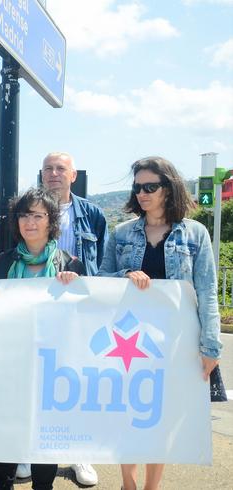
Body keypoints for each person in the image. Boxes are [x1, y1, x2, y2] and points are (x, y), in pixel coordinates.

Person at [98, 156, 222, 490]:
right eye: (138, 187)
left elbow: (207, 291)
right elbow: (101, 279)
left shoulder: (195, 234)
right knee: (127, 413)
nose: (142, 193)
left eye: (150, 186)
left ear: (169, 188)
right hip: (127, 339)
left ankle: (151, 486)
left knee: (160, 418)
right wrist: (125, 274)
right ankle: (128, 483)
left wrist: (211, 345)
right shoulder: (122, 233)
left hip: (173, 341)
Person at [0, 187, 84, 490]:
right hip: (10, 359)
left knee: (47, 429)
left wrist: (75, 286)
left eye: (38, 215)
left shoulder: (70, 264)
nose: (30, 222)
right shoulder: (3, 262)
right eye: (24, 215)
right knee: (8, 425)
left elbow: (81, 316)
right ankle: (5, 481)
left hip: (52, 362)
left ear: (51, 220)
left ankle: (43, 485)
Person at [34, 152, 107, 486]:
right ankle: (30, 451)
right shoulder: (29, 207)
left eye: (60, 168)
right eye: (48, 168)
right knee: (37, 378)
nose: (53, 174)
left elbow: (103, 264)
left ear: (73, 175)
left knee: (76, 379)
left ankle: (80, 451)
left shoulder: (92, 214)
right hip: (36, 306)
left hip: (77, 309)